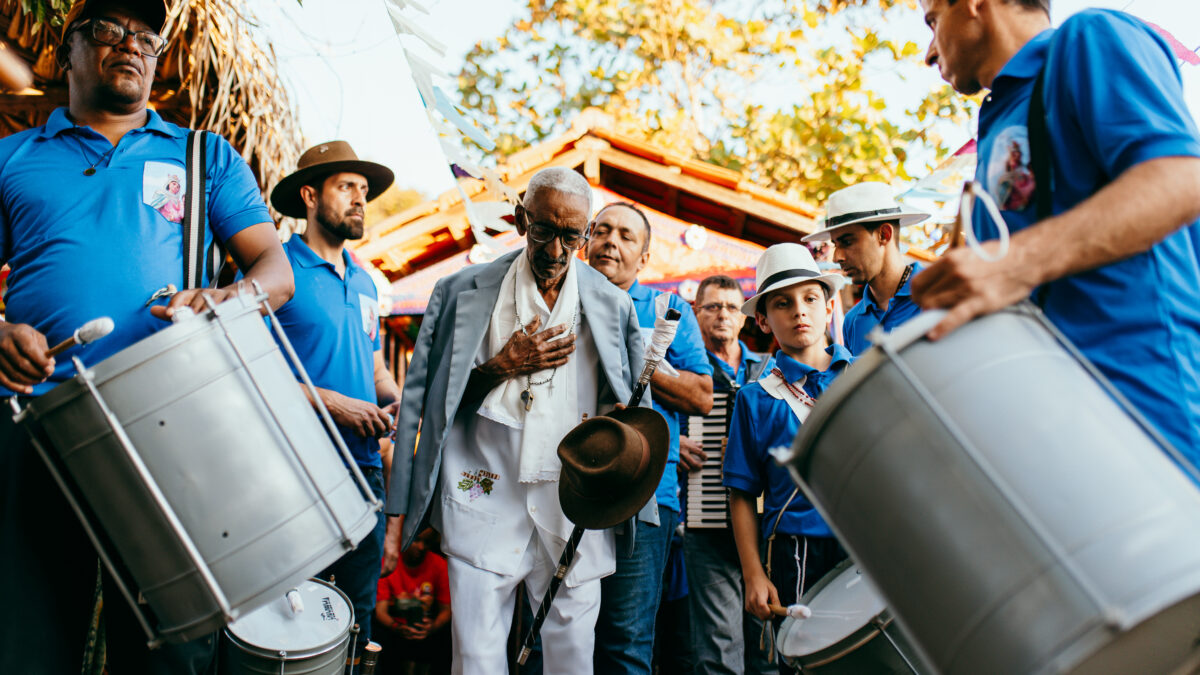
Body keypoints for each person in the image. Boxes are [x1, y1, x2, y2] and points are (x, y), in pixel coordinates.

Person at [0, 0, 293, 672]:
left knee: (170, 649)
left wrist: (223, 297)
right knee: (27, 641)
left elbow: (275, 274)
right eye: (109, 30)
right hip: (36, 420)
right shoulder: (13, 157)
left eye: (145, 36)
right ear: (69, 48)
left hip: (170, 427)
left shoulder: (203, 154)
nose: (130, 45)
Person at [913, 0, 1200, 464]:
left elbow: (1181, 179)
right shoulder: (998, 124)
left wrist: (1016, 262)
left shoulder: (1091, 37)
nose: (929, 52)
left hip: (1153, 412)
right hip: (1053, 433)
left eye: (932, 20)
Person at [386, 167, 645, 674]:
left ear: (586, 234)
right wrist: (501, 368)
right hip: (482, 493)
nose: (554, 250)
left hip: (574, 503)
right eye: (543, 231)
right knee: (477, 656)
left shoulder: (613, 305)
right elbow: (425, 400)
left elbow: (633, 407)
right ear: (520, 219)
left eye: (570, 236)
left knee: (574, 656)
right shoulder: (458, 290)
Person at [269, 141, 404, 666]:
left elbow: (373, 367)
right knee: (289, 620)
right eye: (346, 187)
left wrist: (400, 400)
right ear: (309, 195)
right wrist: (331, 403)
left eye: (364, 191)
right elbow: (243, 368)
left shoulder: (367, 282)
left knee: (354, 622)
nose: (360, 201)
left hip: (364, 474)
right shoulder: (274, 270)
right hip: (293, 472)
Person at [585, 201, 714, 675]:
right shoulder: (560, 299)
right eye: (601, 231)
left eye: (625, 236)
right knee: (558, 627)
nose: (611, 242)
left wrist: (640, 358)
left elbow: (702, 396)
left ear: (643, 258)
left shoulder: (668, 311)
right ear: (585, 243)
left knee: (626, 638)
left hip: (646, 496)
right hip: (564, 486)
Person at [722, 244, 851, 670]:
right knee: (804, 660)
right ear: (762, 320)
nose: (800, 311)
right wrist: (754, 574)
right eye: (783, 303)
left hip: (862, 540)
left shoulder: (861, 375)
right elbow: (741, 493)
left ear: (829, 307)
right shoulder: (754, 399)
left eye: (811, 299)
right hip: (794, 549)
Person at [679, 274, 774, 675]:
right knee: (719, 648)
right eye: (712, 306)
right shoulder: (684, 372)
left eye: (732, 307)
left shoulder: (769, 369)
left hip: (767, 524)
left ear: (744, 317)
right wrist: (674, 441)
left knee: (769, 641)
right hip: (707, 522)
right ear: (696, 313)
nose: (723, 315)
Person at [801, 183, 930, 355]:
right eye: (835, 244)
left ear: (884, 235)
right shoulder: (852, 322)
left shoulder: (938, 294)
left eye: (847, 242)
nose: (836, 257)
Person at [375, 528, 452, 675]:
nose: (421, 547)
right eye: (417, 540)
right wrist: (396, 627)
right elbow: (380, 611)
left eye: (427, 542)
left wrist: (432, 627)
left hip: (426, 631)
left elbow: (447, 610)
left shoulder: (439, 565)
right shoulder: (390, 561)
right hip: (395, 631)